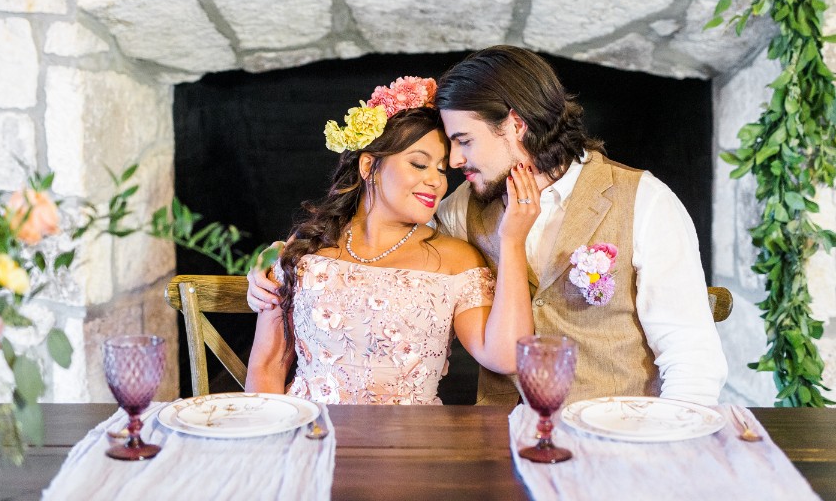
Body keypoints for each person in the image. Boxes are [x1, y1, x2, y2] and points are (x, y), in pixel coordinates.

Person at [250, 47, 727, 408]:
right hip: (496, 445)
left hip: (610, 441)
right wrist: (276, 261)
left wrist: (667, 452)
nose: (454, 164)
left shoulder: (644, 201)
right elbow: (377, 247)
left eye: (463, 141)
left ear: (515, 125)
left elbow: (692, 355)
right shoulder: (462, 208)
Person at [245, 76, 536, 405]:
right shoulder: (307, 245)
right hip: (311, 436)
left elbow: (507, 356)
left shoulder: (456, 260)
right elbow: (267, 366)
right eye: (419, 163)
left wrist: (512, 241)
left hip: (407, 444)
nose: (435, 182)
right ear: (369, 164)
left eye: (442, 170)